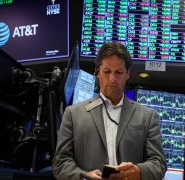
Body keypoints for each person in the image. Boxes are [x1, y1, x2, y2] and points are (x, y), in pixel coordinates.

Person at [53, 42, 167, 180]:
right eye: (107, 72)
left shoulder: (147, 116)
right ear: (97, 73)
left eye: (118, 72)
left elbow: (158, 163)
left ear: (127, 74)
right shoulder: (73, 114)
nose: (112, 79)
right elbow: (61, 161)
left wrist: (139, 171)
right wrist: (82, 176)